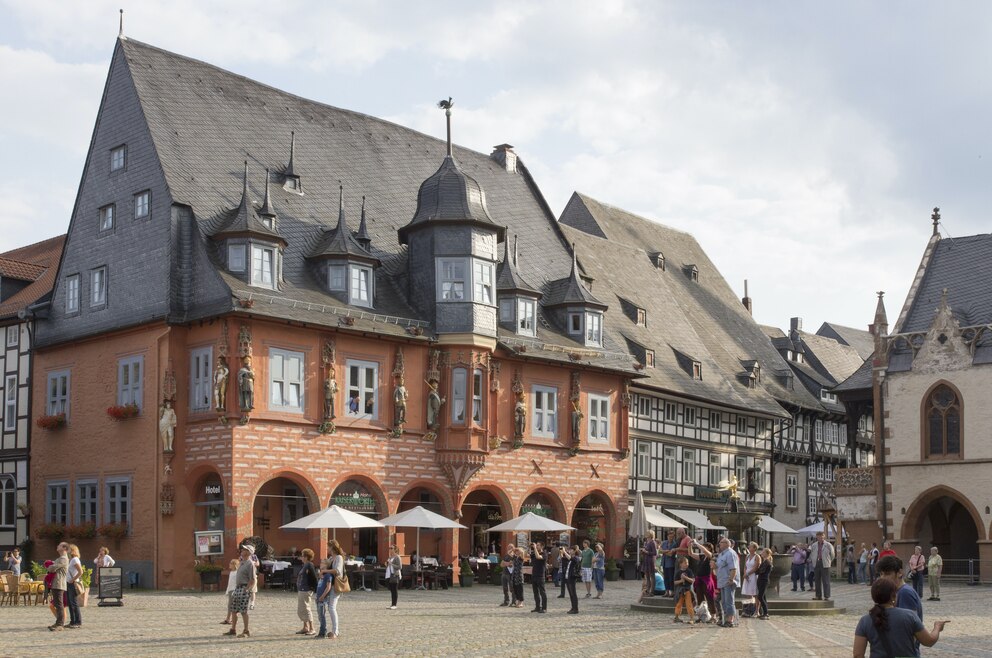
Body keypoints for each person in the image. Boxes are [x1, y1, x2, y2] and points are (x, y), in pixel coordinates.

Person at [853, 579, 947, 658]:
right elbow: (929, 641)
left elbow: (858, 654)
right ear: (893, 596)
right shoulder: (909, 616)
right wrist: (937, 627)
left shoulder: (865, 621)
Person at [877, 555, 923, 622]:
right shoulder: (897, 591)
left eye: (887, 574)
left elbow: (908, 624)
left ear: (900, 573)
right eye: (881, 574)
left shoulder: (905, 593)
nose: (883, 578)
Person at [226, 544, 256, 638]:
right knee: (233, 610)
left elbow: (252, 579)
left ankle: (246, 630)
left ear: (248, 552)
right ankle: (233, 629)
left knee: (243, 611)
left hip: (243, 588)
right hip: (238, 588)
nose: (242, 550)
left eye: (244, 549)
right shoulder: (242, 562)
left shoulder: (250, 564)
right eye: (243, 549)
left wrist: (246, 589)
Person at [322, 539, 346, 639]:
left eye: (328, 546)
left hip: (336, 585)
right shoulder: (332, 558)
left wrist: (325, 570)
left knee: (332, 607)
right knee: (330, 607)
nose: (327, 548)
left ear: (332, 547)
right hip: (331, 585)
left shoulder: (339, 558)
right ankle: (334, 631)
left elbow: (337, 571)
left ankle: (335, 631)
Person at [715, 537, 740, 628]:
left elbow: (733, 568)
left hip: (728, 581)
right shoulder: (722, 554)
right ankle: (726, 619)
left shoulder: (730, 553)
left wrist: (731, 579)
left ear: (726, 544)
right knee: (725, 602)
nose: (719, 544)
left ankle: (730, 620)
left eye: (721, 543)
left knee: (729, 601)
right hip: (722, 581)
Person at [691, 540, 717, 622]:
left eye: (705, 546)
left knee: (709, 597)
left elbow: (705, 551)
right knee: (699, 598)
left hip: (706, 580)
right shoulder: (702, 556)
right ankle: (701, 616)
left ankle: (713, 616)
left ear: (709, 548)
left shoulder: (710, 555)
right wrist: (689, 545)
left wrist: (697, 543)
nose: (703, 548)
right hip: (699, 579)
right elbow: (691, 554)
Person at [46, 543, 69, 631]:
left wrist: (50, 566)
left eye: (59, 545)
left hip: (59, 583)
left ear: (64, 548)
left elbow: (51, 568)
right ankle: (58, 622)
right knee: (57, 604)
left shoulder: (63, 559)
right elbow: (52, 567)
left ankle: (60, 624)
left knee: (59, 604)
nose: (57, 546)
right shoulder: (59, 559)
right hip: (56, 583)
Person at [296, 548, 318, 636]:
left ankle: (312, 628)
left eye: (302, 555)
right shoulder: (305, 565)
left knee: (306, 609)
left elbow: (314, 577)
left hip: (306, 590)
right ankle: (305, 627)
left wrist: (313, 589)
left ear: (306, 557)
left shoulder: (309, 565)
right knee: (301, 609)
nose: (301, 557)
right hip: (302, 590)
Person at [810, 531, 835, 601]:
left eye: (821, 536)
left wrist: (829, 561)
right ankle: (818, 596)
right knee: (817, 580)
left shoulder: (828, 545)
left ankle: (827, 596)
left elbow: (832, 554)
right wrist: (813, 560)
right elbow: (812, 553)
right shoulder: (814, 545)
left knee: (826, 580)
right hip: (816, 563)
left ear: (823, 536)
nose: (819, 538)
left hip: (825, 563)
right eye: (818, 536)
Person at [672, 556, 696, 624]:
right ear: (681, 564)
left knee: (689, 604)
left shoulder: (689, 571)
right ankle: (677, 617)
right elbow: (675, 582)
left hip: (687, 589)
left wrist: (685, 578)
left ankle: (691, 618)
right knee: (679, 603)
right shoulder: (678, 572)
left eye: (687, 562)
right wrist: (681, 580)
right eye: (685, 563)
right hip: (680, 589)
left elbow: (692, 580)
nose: (687, 564)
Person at [66, 543, 83, 629]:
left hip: (72, 583)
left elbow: (80, 572)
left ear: (72, 550)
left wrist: (73, 579)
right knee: (70, 603)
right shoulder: (71, 559)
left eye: (69, 549)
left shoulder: (75, 559)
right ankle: (72, 621)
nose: (67, 550)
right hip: (68, 583)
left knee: (74, 603)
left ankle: (78, 621)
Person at [315, 558, 333, 637]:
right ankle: (322, 629)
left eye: (322, 563)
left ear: (326, 565)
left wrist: (323, 596)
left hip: (323, 598)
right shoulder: (322, 575)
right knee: (319, 615)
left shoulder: (328, 575)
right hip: (318, 597)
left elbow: (328, 587)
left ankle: (323, 631)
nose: (320, 564)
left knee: (321, 615)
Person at [741, 541, 761, 614]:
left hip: (753, 576)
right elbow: (745, 566)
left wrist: (748, 574)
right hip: (747, 576)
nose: (749, 547)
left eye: (750, 546)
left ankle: (757, 610)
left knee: (755, 594)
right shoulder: (747, 556)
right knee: (748, 593)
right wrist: (745, 573)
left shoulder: (757, 556)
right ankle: (749, 610)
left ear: (754, 548)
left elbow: (756, 567)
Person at [640, 530, 658, 600]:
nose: (645, 534)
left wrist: (646, 552)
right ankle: (647, 590)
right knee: (647, 577)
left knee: (652, 577)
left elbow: (655, 553)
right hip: (646, 561)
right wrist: (643, 551)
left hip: (650, 561)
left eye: (647, 533)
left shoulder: (653, 542)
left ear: (650, 535)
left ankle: (652, 591)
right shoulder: (647, 542)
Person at [222, 558, 241, 625]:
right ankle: (229, 619)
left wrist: (235, 591)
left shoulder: (237, 572)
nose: (229, 564)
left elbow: (237, 582)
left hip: (234, 590)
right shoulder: (231, 572)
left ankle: (230, 619)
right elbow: (230, 583)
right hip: (230, 590)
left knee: (232, 606)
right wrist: (227, 591)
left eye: (231, 563)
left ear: (234, 565)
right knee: (230, 605)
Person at [755, 547, 773, 620]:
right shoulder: (764, 562)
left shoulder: (767, 562)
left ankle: (766, 613)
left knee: (760, 597)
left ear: (767, 554)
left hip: (764, 580)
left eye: (763, 552)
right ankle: (764, 612)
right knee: (763, 597)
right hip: (761, 580)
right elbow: (758, 571)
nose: (761, 553)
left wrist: (758, 569)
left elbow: (760, 571)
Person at [530, 542, 548, 613]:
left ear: (542, 546)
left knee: (542, 592)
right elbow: (528, 555)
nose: (536, 546)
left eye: (538, 545)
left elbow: (538, 557)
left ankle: (544, 608)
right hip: (534, 574)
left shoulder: (544, 554)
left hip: (540, 576)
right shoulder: (534, 553)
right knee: (535, 593)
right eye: (536, 545)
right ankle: (537, 607)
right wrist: (530, 548)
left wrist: (534, 548)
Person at [564, 545, 581, 614]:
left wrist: (564, 552)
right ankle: (573, 607)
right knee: (571, 594)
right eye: (569, 550)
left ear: (574, 551)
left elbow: (571, 558)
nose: (569, 551)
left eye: (571, 550)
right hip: (568, 577)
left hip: (572, 578)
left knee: (573, 593)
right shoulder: (571, 558)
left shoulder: (576, 558)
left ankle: (575, 609)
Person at [660, 530, 677, 596]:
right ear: (667, 536)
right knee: (665, 578)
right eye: (670, 537)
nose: (671, 538)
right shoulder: (664, 542)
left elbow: (671, 554)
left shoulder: (674, 544)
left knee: (671, 578)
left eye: (672, 537)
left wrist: (664, 552)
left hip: (671, 563)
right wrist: (666, 551)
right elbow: (659, 551)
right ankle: (666, 591)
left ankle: (672, 591)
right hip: (664, 562)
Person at [385, 545, 402, 610]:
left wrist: (391, 564)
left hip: (395, 575)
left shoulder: (397, 557)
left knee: (394, 590)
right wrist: (387, 564)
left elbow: (400, 567)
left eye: (391, 548)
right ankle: (392, 604)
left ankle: (394, 604)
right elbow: (388, 565)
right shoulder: (390, 557)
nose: (390, 549)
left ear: (395, 549)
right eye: (389, 548)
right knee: (391, 589)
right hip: (389, 575)